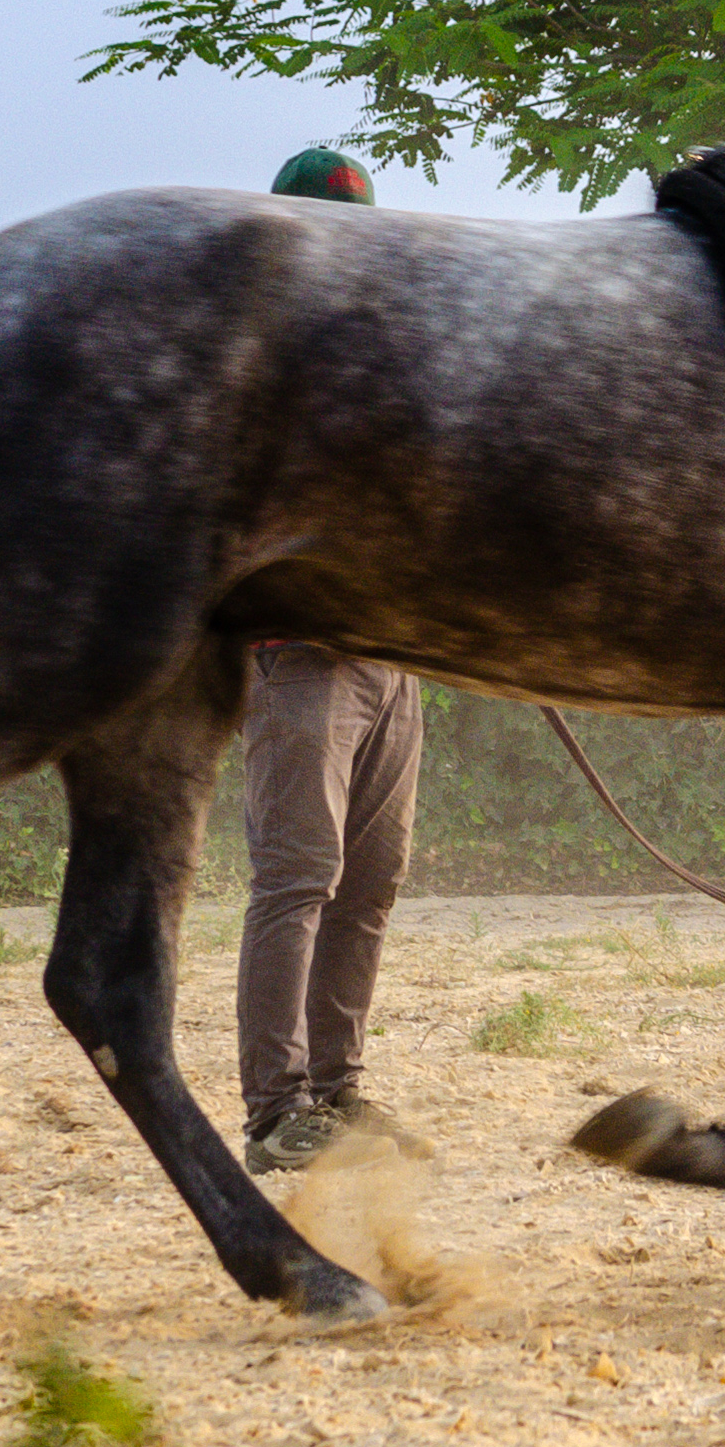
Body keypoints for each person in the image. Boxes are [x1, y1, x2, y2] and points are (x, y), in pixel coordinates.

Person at [238, 143, 427, 1173]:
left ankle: (338, 1092)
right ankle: (274, 1111)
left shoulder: (373, 353)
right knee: (298, 877)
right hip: (299, 658)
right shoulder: (255, 360)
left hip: (390, 659)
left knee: (371, 882)